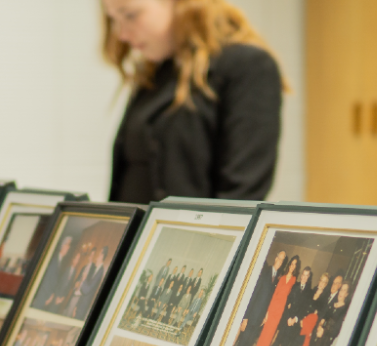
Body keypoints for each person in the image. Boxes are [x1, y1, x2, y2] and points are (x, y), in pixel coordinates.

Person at [103, 0, 284, 204]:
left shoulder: (247, 65)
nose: (122, 35)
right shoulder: (159, 72)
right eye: (114, 20)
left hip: (189, 225)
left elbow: (242, 193)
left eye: (130, 15)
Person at [254, 255, 300, 346]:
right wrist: (267, 311)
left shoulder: (294, 281)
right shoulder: (282, 277)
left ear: (296, 267)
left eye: (294, 265)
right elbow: (275, 294)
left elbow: (291, 298)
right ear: (289, 265)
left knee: (270, 334)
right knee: (264, 332)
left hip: (280, 310)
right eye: (291, 264)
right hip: (272, 307)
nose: (292, 266)